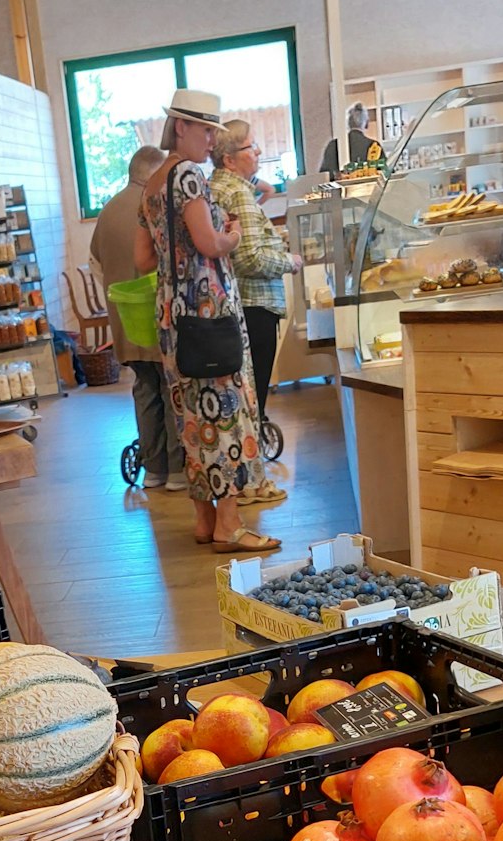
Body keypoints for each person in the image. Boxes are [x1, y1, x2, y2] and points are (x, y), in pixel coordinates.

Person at [134, 89, 284, 554]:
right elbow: (208, 243)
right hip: (211, 311)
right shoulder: (188, 176)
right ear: (181, 126)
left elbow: (142, 259)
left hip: (173, 318)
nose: (210, 141)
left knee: (192, 417)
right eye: (205, 130)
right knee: (229, 415)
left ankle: (204, 520)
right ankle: (231, 525)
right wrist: (232, 235)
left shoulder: (153, 184)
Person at [91, 145, 183, 490]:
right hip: (159, 314)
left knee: (145, 389)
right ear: (153, 173)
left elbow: (96, 264)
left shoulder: (108, 210)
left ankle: (154, 470)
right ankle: (177, 471)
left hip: (125, 321)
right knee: (171, 386)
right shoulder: (156, 205)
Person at [211, 119, 303, 428]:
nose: (259, 151)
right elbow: (250, 258)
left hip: (235, 303)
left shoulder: (219, 185)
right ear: (229, 159)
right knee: (254, 390)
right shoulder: (238, 193)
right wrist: (289, 261)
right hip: (256, 303)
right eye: (252, 147)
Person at [319, 102, 374, 177]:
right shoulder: (374, 146)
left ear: (347, 124)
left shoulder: (333, 145)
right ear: (367, 123)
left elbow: (324, 177)